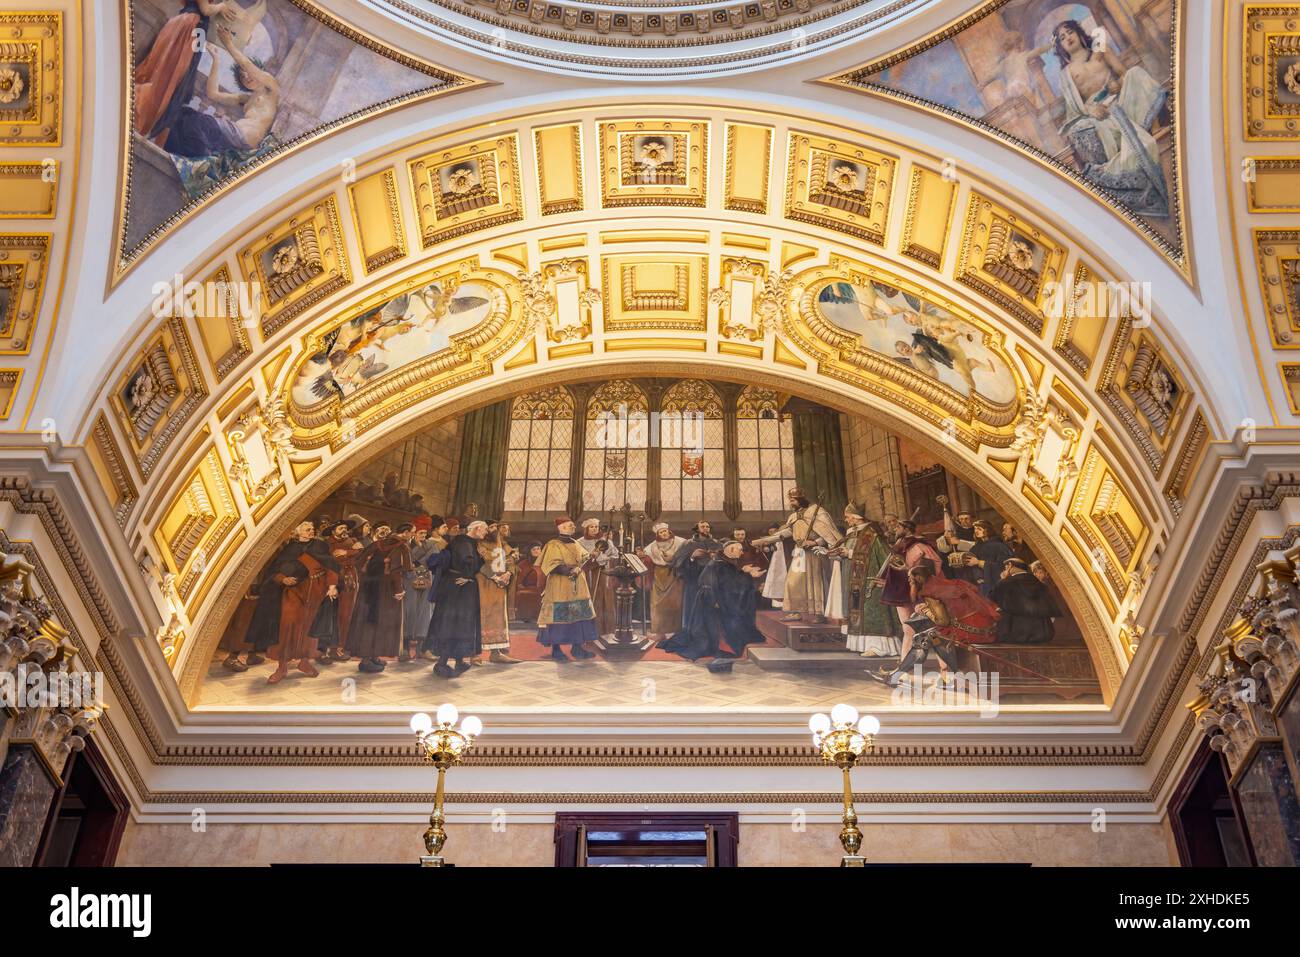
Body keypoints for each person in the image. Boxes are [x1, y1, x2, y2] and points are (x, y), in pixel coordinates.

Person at [1052, 18, 1169, 216]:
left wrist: (1119, 83)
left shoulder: (1100, 48)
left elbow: (1123, 73)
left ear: (1079, 33)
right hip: (1100, 114)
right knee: (1086, 127)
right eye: (1062, 37)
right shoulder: (1067, 73)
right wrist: (1091, 111)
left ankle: (1154, 125)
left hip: (1120, 99)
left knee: (1135, 73)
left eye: (1069, 32)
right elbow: (1075, 110)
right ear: (1061, 47)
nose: (1067, 38)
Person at [162, 25, 280, 159]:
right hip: (233, 135)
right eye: (242, 77)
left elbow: (247, 65)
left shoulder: (270, 88)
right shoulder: (246, 98)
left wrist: (228, 44)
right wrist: (216, 60)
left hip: (242, 137)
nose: (246, 76)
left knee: (198, 124)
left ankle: (203, 159)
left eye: (247, 73)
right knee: (182, 116)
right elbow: (213, 94)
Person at [661, 540, 767, 673]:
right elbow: (707, 584)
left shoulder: (726, 563)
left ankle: (728, 643)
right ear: (731, 551)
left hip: (724, 602)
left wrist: (747, 574)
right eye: (739, 550)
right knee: (718, 632)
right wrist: (715, 600)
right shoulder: (717, 564)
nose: (741, 552)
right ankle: (723, 646)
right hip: (714, 604)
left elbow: (734, 580)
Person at [752, 488, 842, 623]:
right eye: (790, 500)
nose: (790, 503)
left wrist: (814, 542)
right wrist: (765, 540)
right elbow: (786, 532)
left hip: (814, 553)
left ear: (801, 499)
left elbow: (828, 535)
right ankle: (795, 612)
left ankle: (819, 614)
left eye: (793, 500)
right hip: (800, 552)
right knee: (792, 582)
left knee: (815, 583)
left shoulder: (817, 512)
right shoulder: (794, 516)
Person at [832, 504, 903, 657]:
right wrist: (838, 554)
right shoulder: (853, 533)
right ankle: (864, 645)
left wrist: (849, 553)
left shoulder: (871, 533)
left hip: (871, 580)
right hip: (856, 581)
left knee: (873, 613)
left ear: (856, 518)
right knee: (861, 612)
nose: (846, 519)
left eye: (848, 516)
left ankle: (879, 648)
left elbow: (879, 556)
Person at [427, 520, 488, 677]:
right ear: (476, 528)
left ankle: (460, 661)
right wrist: (468, 575)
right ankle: (441, 664)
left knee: (463, 624)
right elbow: (466, 563)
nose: (486, 532)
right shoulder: (462, 541)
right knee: (451, 624)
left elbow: (472, 564)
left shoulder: (469, 542)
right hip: (455, 588)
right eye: (484, 529)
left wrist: (470, 575)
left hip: (464, 588)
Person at [348, 522, 411, 673]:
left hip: (368, 588)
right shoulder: (401, 547)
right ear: (406, 533)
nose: (411, 536)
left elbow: (359, 563)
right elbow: (397, 572)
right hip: (385, 590)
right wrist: (399, 590)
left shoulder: (376, 544)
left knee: (369, 621)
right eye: (411, 533)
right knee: (379, 621)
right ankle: (367, 660)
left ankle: (372, 656)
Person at [536, 518, 599, 661]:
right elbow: (552, 564)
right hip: (560, 583)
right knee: (559, 615)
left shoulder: (576, 543)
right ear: (561, 527)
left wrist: (592, 556)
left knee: (579, 614)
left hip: (578, 583)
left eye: (573, 525)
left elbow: (584, 558)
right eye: (570, 525)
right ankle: (556, 650)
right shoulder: (553, 544)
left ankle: (577, 648)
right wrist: (569, 570)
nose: (573, 527)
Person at [475, 521, 521, 664]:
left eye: (496, 527)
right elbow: (479, 564)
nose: (495, 530)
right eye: (491, 527)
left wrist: (508, 573)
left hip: (500, 586)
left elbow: (511, 559)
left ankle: (496, 653)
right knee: (481, 615)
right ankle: (475, 654)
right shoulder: (478, 544)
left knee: (498, 617)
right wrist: (495, 577)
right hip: (484, 583)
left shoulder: (501, 542)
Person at [990, 557, 1062, 644]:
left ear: (1010, 566)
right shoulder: (1040, 584)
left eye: (1005, 568)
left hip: (1013, 635)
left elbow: (991, 599)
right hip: (1042, 634)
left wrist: (1002, 580)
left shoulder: (1005, 583)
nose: (1005, 570)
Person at [639, 522, 687, 642]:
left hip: (675, 575)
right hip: (659, 576)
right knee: (657, 605)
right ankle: (660, 633)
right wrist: (643, 557)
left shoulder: (681, 542)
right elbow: (647, 558)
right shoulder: (652, 546)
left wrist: (674, 559)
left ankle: (677, 632)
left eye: (665, 531)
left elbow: (687, 555)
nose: (664, 533)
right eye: (661, 532)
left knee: (675, 604)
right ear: (657, 534)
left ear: (669, 531)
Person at [577, 517, 619, 638]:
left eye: (596, 527)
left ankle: (608, 631)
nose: (594, 529)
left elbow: (615, 556)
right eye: (591, 527)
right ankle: (591, 631)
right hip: (588, 575)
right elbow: (578, 558)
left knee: (606, 600)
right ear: (586, 529)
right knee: (591, 600)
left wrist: (602, 557)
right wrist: (590, 556)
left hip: (603, 574)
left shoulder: (606, 541)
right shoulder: (579, 542)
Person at [402, 526, 437, 661]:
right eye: (420, 533)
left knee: (425, 613)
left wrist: (422, 564)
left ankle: (423, 649)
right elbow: (405, 561)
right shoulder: (406, 545)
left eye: (424, 533)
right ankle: (404, 649)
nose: (423, 535)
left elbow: (434, 559)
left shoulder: (431, 545)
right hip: (409, 580)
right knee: (409, 611)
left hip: (427, 580)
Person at [963, 520, 1013, 597]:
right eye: (975, 529)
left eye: (979, 529)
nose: (976, 531)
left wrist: (979, 563)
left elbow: (1005, 566)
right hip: (978, 585)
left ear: (988, 530)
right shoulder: (975, 548)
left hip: (995, 585)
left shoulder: (999, 546)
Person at [512, 542, 545, 623]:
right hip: (528, 588)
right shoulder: (524, 564)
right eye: (534, 549)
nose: (537, 551)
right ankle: (527, 617)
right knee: (523, 594)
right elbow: (518, 580)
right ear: (530, 551)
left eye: (538, 549)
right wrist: (520, 586)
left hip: (544, 588)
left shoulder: (545, 562)